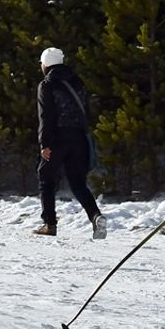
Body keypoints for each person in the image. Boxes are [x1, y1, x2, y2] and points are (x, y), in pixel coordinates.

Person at [35, 47, 105, 239]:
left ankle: (49, 224)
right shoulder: (78, 82)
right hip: (79, 138)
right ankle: (95, 216)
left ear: (46, 64)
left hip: (58, 139)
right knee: (78, 183)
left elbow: (46, 116)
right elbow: (87, 111)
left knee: (45, 176)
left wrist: (44, 144)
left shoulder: (47, 84)